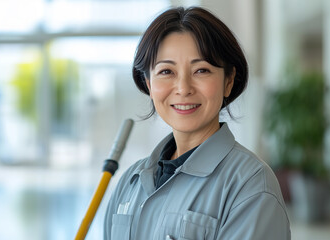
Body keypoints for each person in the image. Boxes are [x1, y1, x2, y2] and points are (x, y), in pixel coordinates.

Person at [104, 6, 290, 240]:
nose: (183, 88)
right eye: (166, 71)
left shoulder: (250, 186)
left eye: (201, 70)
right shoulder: (129, 183)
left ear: (228, 81)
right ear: (149, 84)